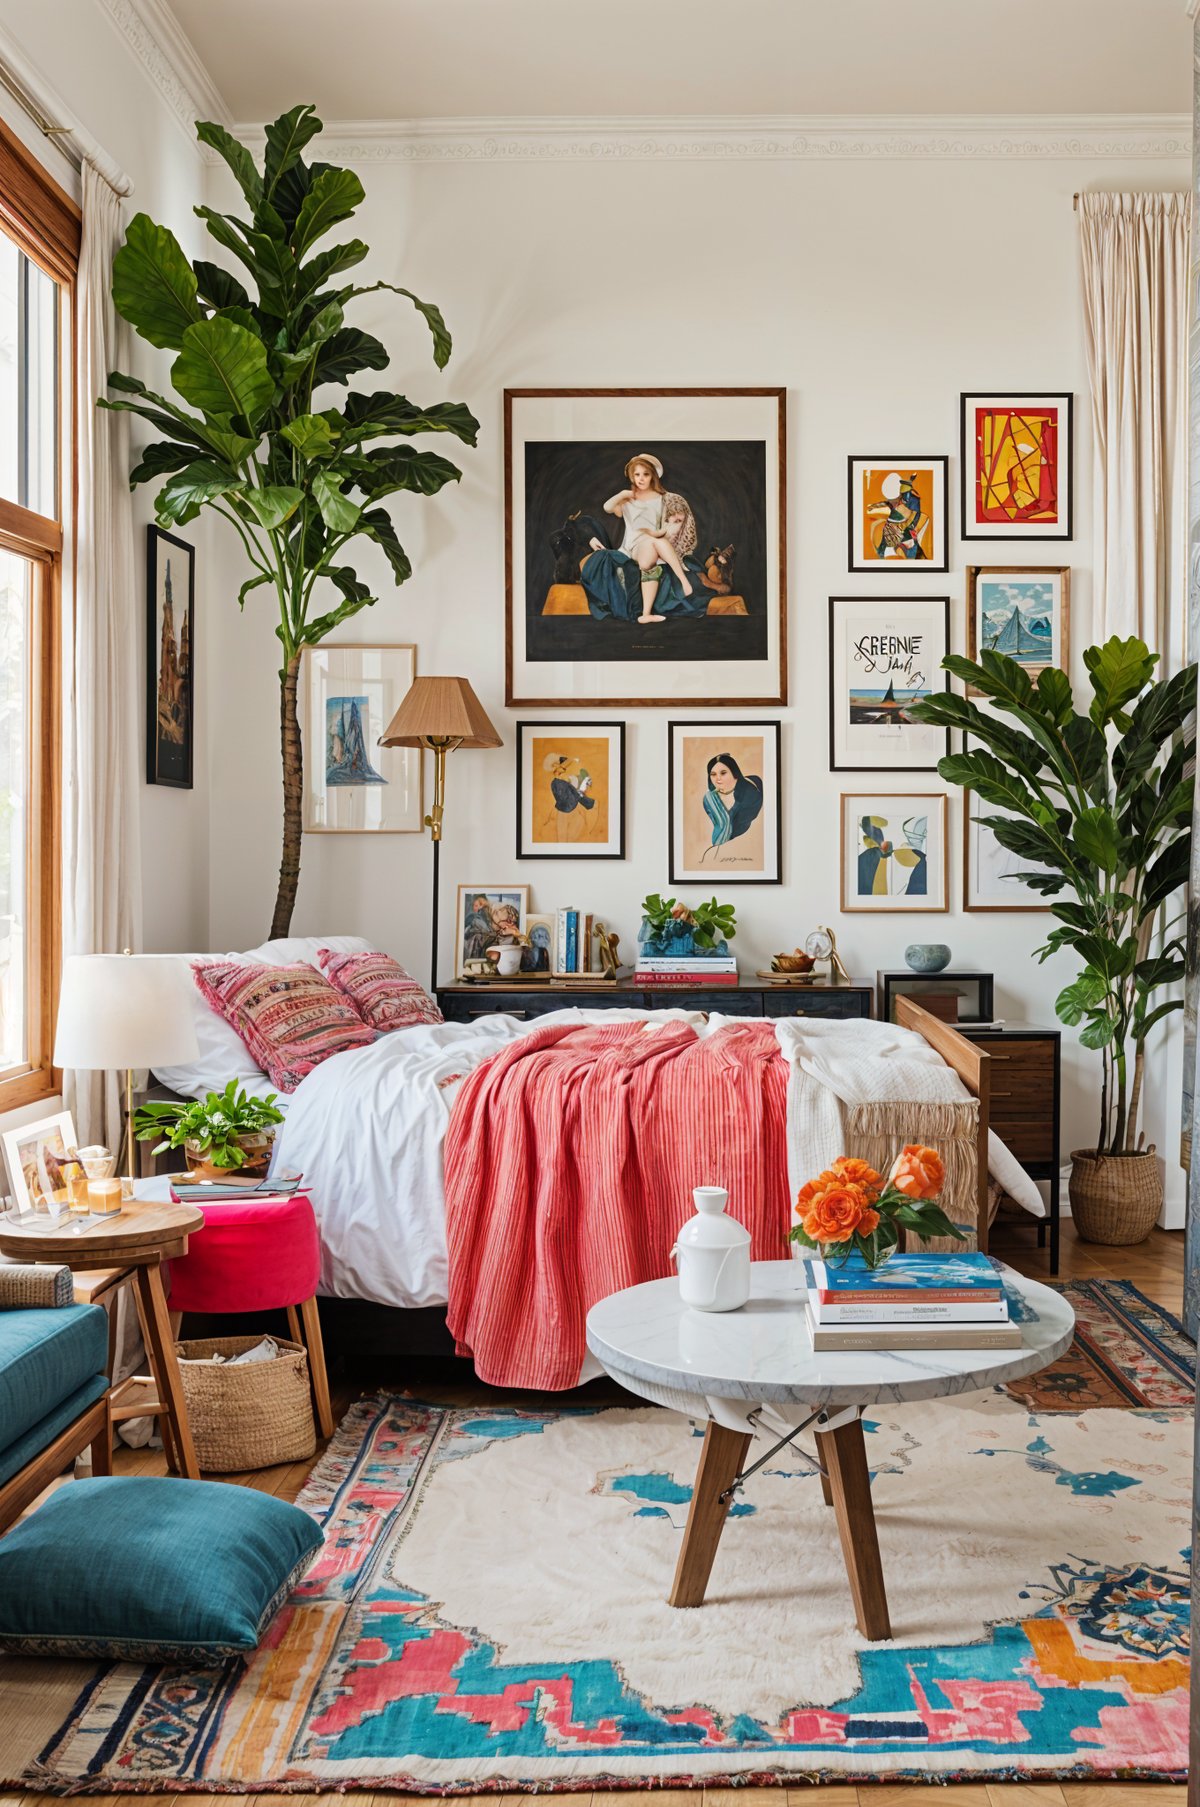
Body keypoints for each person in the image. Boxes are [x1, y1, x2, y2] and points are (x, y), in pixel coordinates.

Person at [577, 453, 707, 625]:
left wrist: (656, 533)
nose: (641, 478)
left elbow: (662, 529)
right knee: (656, 544)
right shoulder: (626, 499)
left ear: (653, 475)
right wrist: (624, 493)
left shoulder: (662, 499)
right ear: (631, 475)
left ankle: (646, 614)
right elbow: (607, 507)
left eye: (645, 474)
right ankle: (683, 580)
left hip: (652, 546)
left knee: (653, 553)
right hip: (632, 547)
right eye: (637, 474)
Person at [702, 752, 763, 859]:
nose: (717, 779)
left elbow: (743, 832)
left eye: (723, 773)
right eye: (713, 774)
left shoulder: (750, 796)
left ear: (734, 772)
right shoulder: (709, 799)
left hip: (743, 847)